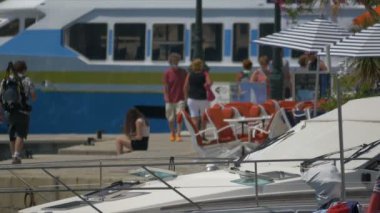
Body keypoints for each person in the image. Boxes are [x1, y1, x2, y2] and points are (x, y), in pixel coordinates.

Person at [0, 61, 36, 164]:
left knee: (12, 134)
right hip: (22, 111)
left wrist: (1, 112)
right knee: (20, 133)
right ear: (24, 70)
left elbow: (0, 97)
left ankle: (13, 155)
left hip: (8, 111)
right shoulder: (26, 80)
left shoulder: (5, 80)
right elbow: (33, 97)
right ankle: (16, 156)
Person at [163, 53, 187, 142]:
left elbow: (186, 84)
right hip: (169, 99)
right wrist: (166, 96)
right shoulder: (167, 73)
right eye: (173, 62)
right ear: (170, 62)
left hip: (180, 98)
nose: (175, 64)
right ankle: (172, 133)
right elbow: (165, 86)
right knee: (170, 118)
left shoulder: (183, 72)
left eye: (176, 62)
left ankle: (178, 134)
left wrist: (186, 96)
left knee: (179, 116)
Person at [183, 59, 211, 135]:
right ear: (201, 65)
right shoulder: (205, 74)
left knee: (194, 117)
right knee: (203, 117)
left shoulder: (190, 74)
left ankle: (195, 135)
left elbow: (185, 86)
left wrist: (186, 98)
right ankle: (203, 135)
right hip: (203, 98)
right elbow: (209, 83)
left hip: (191, 99)